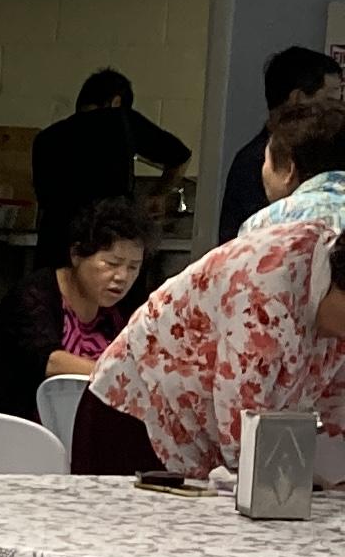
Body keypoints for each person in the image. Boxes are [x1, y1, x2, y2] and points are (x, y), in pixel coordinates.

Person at [74, 76, 345, 483]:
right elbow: (244, 424)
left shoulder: (320, 264)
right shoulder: (269, 275)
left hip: (213, 432)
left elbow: (334, 412)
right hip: (142, 411)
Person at [0, 198, 151, 421]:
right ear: (76, 254)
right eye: (112, 263)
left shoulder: (121, 310)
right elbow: (49, 361)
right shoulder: (35, 295)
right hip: (10, 428)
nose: (122, 277)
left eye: (133, 267)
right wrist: (119, 375)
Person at [26, 68, 191, 267]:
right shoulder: (121, 119)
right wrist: (158, 194)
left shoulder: (45, 138)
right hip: (106, 248)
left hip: (54, 247)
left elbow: (43, 198)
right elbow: (180, 156)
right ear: (117, 102)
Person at [218, 43, 338, 242]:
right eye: (332, 97)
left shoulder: (321, 150)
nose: (338, 106)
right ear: (298, 98)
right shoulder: (255, 161)